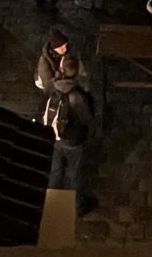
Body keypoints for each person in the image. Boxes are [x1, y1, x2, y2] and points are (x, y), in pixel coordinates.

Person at [43, 57, 94, 215]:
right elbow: (87, 118)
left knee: (56, 170)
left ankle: (50, 202)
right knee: (74, 172)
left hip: (55, 136)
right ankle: (77, 206)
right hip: (73, 141)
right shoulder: (77, 97)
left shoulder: (52, 86)